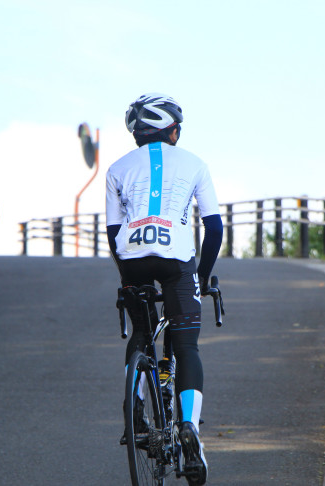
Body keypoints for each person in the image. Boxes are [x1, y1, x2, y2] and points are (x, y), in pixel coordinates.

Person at [106, 93, 223, 485]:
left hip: (133, 255)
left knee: (141, 333)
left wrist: (125, 276)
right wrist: (203, 277)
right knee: (186, 345)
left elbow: (111, 230)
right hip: (177, 259)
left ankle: (134, 410)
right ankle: (188, 425)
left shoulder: (118, 168)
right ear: (172, 129)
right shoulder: (194, 163)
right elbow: (214, 227)